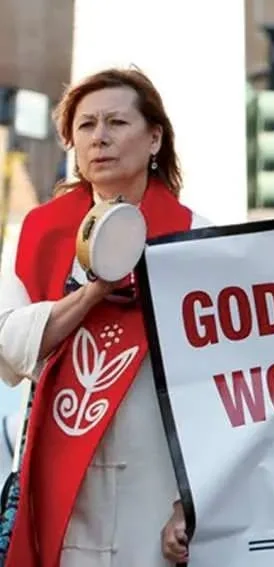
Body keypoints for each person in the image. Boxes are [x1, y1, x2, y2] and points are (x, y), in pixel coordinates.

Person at [0, 67, 209, 567]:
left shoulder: (197, 236)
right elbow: (8, 344)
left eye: (116, 122)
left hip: (155, 481)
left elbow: (222, 385)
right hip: (60, 475)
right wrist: (95, 291)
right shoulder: (36, 233)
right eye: (86, 125)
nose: (100, 137)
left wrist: (191, 502)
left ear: (154, 137)